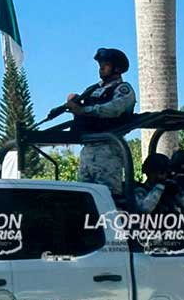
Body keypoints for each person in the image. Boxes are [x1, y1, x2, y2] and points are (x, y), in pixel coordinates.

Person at [53, 48, 136, 197]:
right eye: (100, 64)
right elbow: (81, 108)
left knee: (108, 197)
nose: (101, 68)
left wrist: (84, 110)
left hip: (109, 148)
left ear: (116, 68)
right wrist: (74, 104)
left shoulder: (123, 89)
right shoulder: (93, 89)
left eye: (106, 64)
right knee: (85, 196)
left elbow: (114, 109)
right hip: (88, 148)